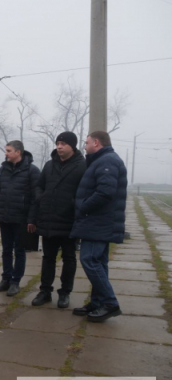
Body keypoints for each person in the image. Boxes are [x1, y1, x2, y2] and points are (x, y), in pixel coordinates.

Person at [70, 131, 127, 322]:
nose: (84, 146)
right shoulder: (101, 160)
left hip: (98, 222)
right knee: (99, 263)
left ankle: (110, 303)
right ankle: (97, 303)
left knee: (90, 260)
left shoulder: (107, 161)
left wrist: (83, 207)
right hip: (99, 221)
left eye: (86, 143)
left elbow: (105, 192)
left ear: (96, 143)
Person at [29, 132, 86, 308]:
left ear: (72, 146)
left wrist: (73, 204)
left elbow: (85, 192)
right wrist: (42, 198)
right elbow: (39, 186)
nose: (59, 146)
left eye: (63, 143)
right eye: (57, 143)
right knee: (48, 258)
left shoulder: (82, 166)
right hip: (48, 220)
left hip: (69, 221)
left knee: (69, 259)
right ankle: (45, 291)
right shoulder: (49, 165)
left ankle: (65, 293)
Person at [0, 140, 40, 297]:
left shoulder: (32, 170)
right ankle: (5, 279)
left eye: (9, 150)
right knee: (6, 250)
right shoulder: (3, 169)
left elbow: (35, 198)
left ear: (18, 152)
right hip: (5, 217)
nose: (6, 153)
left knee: (19, 251)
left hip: (21, 218)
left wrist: (31, 219)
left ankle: (15, 282)